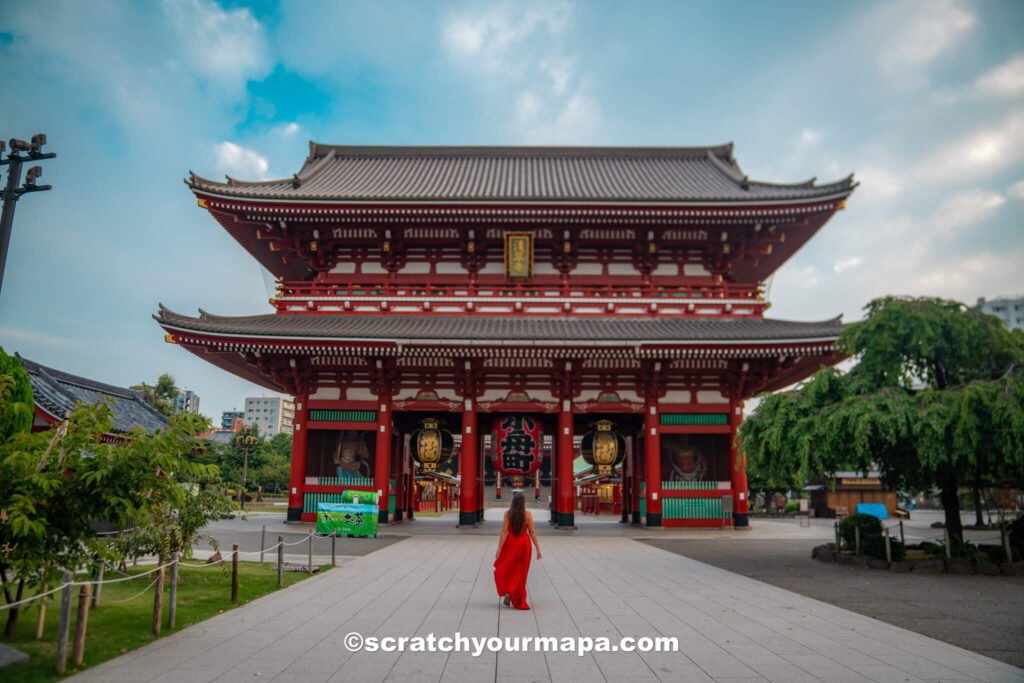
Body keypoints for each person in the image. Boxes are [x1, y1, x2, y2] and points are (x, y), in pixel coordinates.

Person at [493, 491, 541, 610]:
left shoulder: (507, 514)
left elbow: (504, 531)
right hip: (524, 545)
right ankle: (517, 596)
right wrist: (538, 548)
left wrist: (499, 548)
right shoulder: (528, 515)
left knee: (508, 569)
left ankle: (508, 592)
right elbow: (532, 532)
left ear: (513, 503)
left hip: (510, 544)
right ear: (523, 503)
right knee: (520, 572)